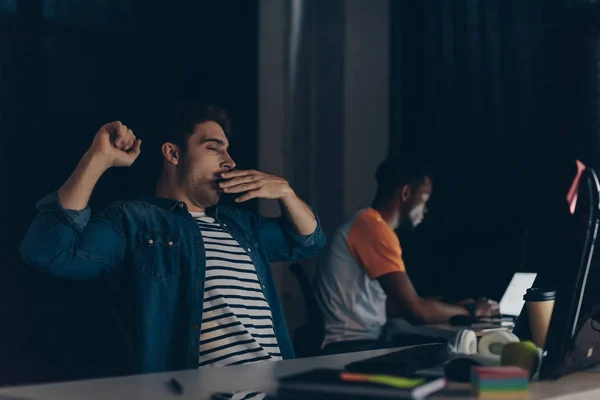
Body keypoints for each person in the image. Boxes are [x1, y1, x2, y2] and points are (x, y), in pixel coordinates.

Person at [20, 103, 326, 374]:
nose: (230, 161)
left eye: (228, 150)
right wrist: (97, 158)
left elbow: (309, 241)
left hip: (277, 389)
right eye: (214, 148)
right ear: (173, 153)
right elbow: (50, 252)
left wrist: (286, 192)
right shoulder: (134, 220)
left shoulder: (241, 225)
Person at [313, 158, 496, 354]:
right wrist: (471, 310)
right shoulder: (374, 229)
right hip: (350, 346)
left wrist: (448, 307)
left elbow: (393, 305)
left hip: (351, 342)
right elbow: (416, 313)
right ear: (406, 193)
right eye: (424, 199)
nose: (426, 209)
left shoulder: (365, 224)